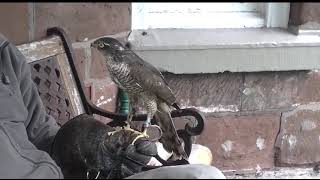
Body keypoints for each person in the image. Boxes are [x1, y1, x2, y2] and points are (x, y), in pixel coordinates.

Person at [0, 33, 226, 179]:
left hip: (60, 172)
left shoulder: (4, 55)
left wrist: (94, 143)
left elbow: (39, 132)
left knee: (204, 176)